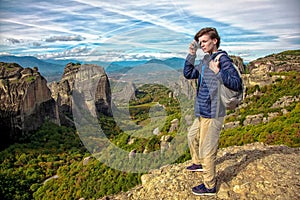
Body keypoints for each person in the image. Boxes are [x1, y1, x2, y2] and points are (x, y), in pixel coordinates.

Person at [183, 27, 243, 195]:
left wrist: (218, 72)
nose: (202, 44)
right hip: (203, 111)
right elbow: (188, 73)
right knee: (191, 136)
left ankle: (209, 186)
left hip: (213, 112)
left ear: (214, 41)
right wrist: (192, 54)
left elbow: (235, 83)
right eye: (200, 42)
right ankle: (198, 163)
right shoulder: (206, 60)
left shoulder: (222, 59)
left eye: (204, 41)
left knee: (206, 150)